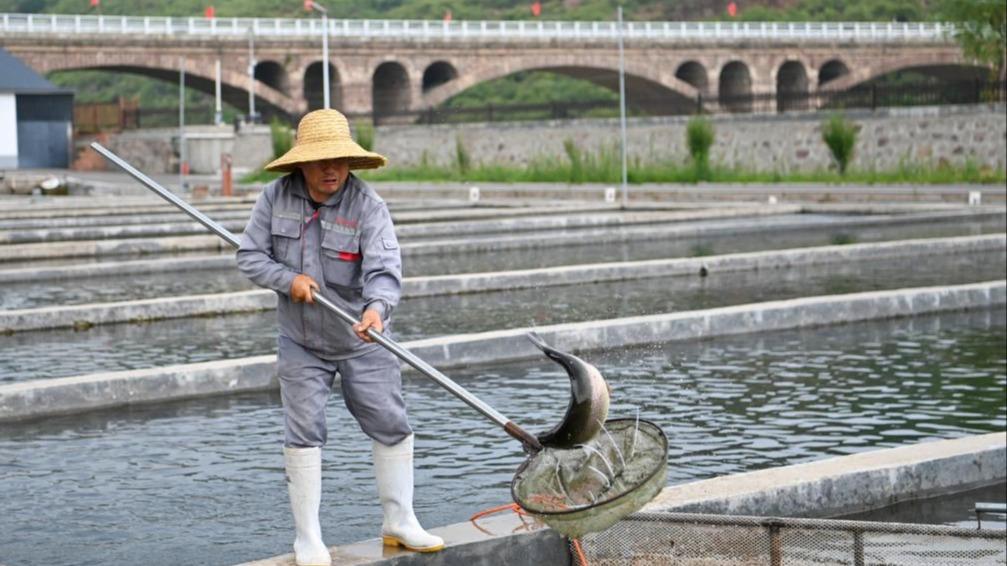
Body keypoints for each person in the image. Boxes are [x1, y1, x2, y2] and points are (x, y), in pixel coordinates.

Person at [237, 109, 444, 566]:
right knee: (303, 432)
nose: (331, 170)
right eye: (320, 161)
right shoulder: (274, 198)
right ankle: (308, 538)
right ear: (301, 164)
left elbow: (384, 272)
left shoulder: (368, 207)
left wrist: (376, 310)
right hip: (301, 340)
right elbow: (249, 256)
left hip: (361, 337)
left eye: (339, 160)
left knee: (390, 422)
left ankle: (399, 519)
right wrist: (287, 278)